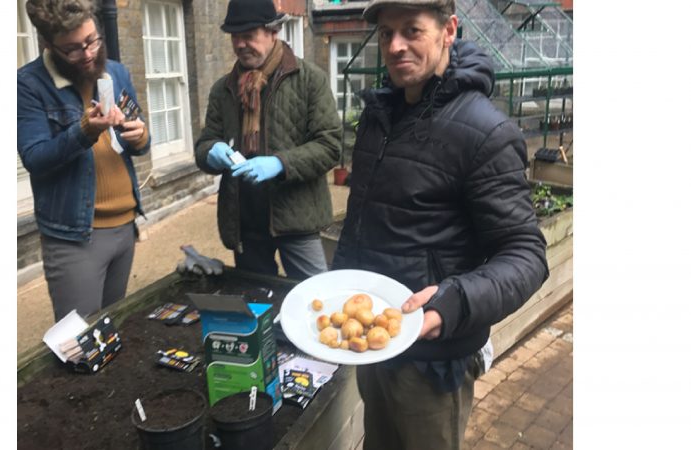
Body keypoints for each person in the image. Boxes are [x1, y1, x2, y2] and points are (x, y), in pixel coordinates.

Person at [330, 1, 550, 448]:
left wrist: (452, 302)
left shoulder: (485, 131)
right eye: (387, 33)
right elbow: (365, 217)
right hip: (377, 339)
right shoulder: (381, 117)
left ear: (448, 30)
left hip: (432, 363)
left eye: (412, 30)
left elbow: (526, 254)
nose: (395, 46)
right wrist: (337, 285)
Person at [18, 0, 150, 322]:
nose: (88, 53)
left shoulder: (116, 71)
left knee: (112, 326)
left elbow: (140, 140)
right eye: (73, 49)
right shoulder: (28, 84)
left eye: (92, 40)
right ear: (49, 45)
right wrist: (83, 131)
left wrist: (140, 136)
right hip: (76, 235)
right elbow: (36, 158)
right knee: (79, 344)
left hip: (125, 224)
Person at [194, 0, 342, 280]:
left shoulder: (310, 80)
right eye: (235, 36)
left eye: (249, 35)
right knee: (258, 299)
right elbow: (204, 144)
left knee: (313, 299)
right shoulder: (223, 89)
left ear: (273, 32)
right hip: (245, 222)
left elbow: (330, 145)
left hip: (297, 218)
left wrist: (280, 163)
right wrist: (210, 150)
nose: (240, 44)